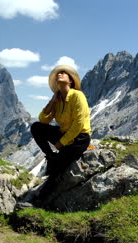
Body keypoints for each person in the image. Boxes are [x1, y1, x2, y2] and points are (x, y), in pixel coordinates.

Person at [30, 65, 91, 202]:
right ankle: (50, 156)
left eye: (64, 73)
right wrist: (52, 102)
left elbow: (78, 124)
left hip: (79, 138)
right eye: (58, 73)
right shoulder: (58, 100)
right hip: (64, 134)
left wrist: (61, 143)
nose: (60, 74)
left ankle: (41, 200)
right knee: (36, 127)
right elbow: (43, 119)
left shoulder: (77, 95)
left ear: (70, 81)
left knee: (58, 169)